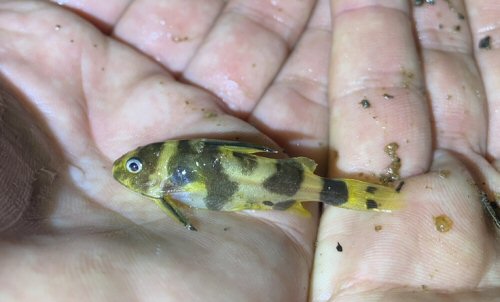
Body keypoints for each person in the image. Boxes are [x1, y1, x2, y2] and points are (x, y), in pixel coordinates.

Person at [1, 0, 499, 300]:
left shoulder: (166, 188)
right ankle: (361, 195)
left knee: (320, 188)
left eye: (134, 166)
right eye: (131, 165)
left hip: (279, 184)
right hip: (277, 186)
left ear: (152, 173)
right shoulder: (164, 185)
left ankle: (363, 195)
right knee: (319, 188)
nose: (128, 172)